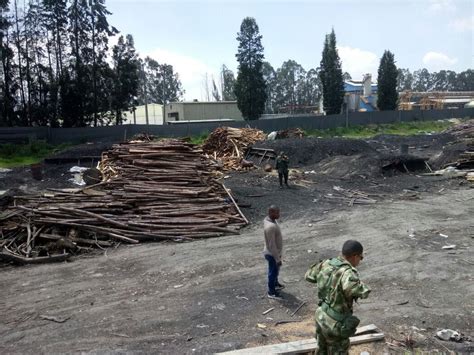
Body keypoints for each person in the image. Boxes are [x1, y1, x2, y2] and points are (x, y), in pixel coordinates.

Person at [305, 240, 371, 355]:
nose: (360, 261)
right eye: (361, 257)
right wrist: (364, 287)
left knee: (322, 349)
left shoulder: (327, 263)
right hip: (335, 323)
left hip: (321, 316)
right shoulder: (348, 272)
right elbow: (359, 291)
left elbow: (309, 276)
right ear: (355, 256)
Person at [263, 205, 284, 299]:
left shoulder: (269, 220)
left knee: (275, 271)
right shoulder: (270, 226)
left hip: (274, 253)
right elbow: (272, 245)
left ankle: (275, 284)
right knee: (273, 272)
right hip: (272, 254)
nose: (279, 214)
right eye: (277, 213)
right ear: (271, 213)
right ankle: (271, 292)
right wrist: (277, 258)